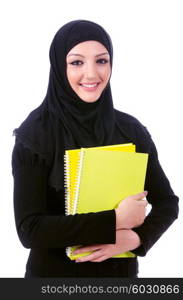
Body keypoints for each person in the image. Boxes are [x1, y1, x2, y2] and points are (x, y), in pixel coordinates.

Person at [12, 20, 179, 278]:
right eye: (77, 62)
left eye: (101, 61)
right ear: (59, 66)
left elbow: (167, 203)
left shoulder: (130, 130)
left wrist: (135, 239)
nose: (92, 74)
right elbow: (30, 230)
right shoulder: (35, 134)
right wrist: (115, 221)